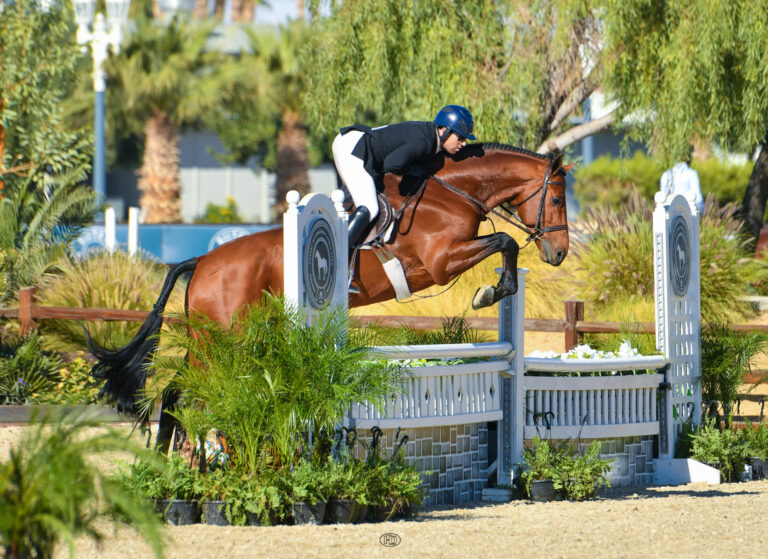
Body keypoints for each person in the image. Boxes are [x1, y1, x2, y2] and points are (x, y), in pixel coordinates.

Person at [332, 104, 476, 251]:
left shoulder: (430, 137)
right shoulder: (423, 142)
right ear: (445, 130)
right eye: (461, 137)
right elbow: (392, 164)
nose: (463, 144)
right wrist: (414, 170)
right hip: (352, 149)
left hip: (356, 145)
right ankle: (337, 252)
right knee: (370, 207)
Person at [659, 148, 704, 214]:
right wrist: (702, 212)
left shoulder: (666, 175)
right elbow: (698, 199)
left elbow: (662, 199)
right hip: (688, 216)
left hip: (669, 215)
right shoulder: (691, 174)